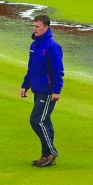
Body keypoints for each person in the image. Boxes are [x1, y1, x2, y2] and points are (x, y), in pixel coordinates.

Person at [21, 15, 64, 167]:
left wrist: (56, 91)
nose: (35, 29)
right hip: (38, 89)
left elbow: (58, 70)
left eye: (38, 26)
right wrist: (25, 85)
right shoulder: (34, 45)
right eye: (34, 26)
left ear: (46, 27)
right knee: (44, 122)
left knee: (36, 120)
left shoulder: (52, 46)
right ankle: (46, 155)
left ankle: (51, 152)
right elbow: (31, 67)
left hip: (47, 91)